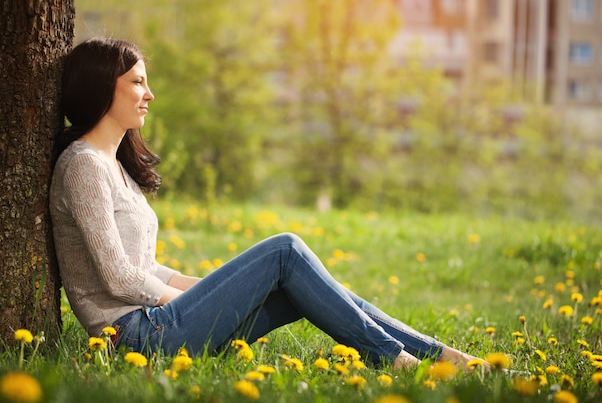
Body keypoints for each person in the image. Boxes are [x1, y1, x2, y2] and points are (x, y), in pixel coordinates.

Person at [50, 37, 486, 372]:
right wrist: (197, 300)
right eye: (138, 82)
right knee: (285, 249)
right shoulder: (83, 166)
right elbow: (118, 277)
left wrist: (211, 290)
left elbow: (144, 266)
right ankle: (396, 358)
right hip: (136, 338)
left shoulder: (115, 165)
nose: (150, 94)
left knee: (307, 287)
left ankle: (435, 355)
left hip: (158, 323)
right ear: (103, 87)